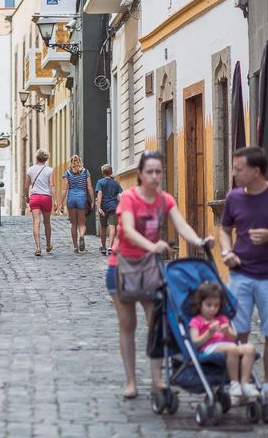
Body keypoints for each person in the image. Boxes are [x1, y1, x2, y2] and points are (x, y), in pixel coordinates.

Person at [105, 150, 214, 399]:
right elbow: (128, 231)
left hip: (151, 269)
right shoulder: (130, 198)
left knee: (156, 326)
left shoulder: (165, 200)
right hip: (122, 268)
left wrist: (199, 241)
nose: (155, 176)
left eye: (158, 172)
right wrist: (153, 245)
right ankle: (131, 381)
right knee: (127, 325)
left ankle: (157, 380)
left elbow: (181, 224)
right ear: (141, 175)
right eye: (150, 172)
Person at [219, 146, 268, 402]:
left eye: (238, 169)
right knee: (238, 331)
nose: (233, 173)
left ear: (256, 171)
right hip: (240, 273)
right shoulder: (234, 197)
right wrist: (226, 251)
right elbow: (224, 228)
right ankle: (241, 383)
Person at [188, 281, 259, 403]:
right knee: (232, 348)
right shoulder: (196, 321)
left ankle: (245, 383)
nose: (212, 309)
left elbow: (234, 338)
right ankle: (234, 384)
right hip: (209, 348)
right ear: (200, 304)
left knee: (250, 348)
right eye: (209, 305)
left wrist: (227, 332)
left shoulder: (222, 319)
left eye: (216, 306)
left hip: (228, 346)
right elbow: (195, 342)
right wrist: (208, 333)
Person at [23, 149, 57, 256]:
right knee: (47, 222)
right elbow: (51, 185)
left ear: (36, 157)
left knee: (36, 222)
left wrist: (27, 197)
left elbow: (26, 186)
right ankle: (48, 245)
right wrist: (55, 200)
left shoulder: (30, 170)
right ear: (46, 158)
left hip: (35, 197)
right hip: (46, 198)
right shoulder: (49, 170)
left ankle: (38, 247)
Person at [59, 155, 94, 253]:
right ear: (80, 161)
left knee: (73, 223)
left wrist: (61, 203)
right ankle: (82, 236)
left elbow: (64, 189)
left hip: (71, 198)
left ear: (71, 162)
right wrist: (92, 200)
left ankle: (75, 247)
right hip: (82, 198)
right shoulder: (85, 172)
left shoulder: (67, 173)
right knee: (82, 223)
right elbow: (89, 187)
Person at [95, 164, 123, 255]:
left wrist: (98, 207)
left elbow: (99, 194)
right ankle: (111, 247)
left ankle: (103, 248)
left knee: (103, 227)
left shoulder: (100, 182)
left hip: (103, 207)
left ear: (102, 173)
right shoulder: (116, 183)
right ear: (111, 172)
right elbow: (120, 195)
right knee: (112, 227)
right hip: (113, 207)